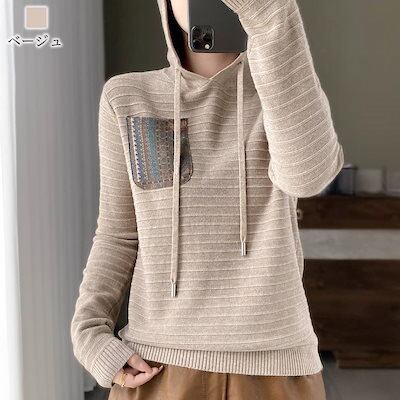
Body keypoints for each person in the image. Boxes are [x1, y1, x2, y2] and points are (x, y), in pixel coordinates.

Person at [70, 0, 344, 398]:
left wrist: (271, 12)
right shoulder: (128, 96)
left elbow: (309, 177)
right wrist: (89, 334)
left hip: (276, 367)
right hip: (157, 366)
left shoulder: (281, 90)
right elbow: (118, 235)